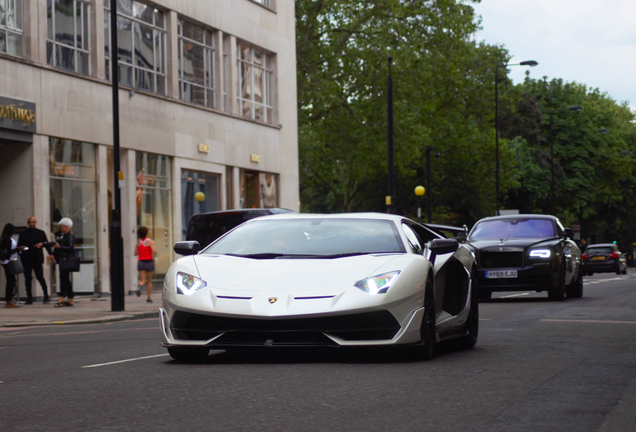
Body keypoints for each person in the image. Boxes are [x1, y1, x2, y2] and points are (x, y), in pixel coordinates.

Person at [18, 217, 54, 304]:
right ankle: (29, 297)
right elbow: (20, 245)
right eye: (30, 222)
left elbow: (46, 244)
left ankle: (46, 295)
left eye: (33, 222)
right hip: (26, 258)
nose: (31, 224)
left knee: (40, 277)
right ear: (28, 223)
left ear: (36, 222)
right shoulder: (23, 233)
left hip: (37, 258)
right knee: (28, 278)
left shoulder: (40, 233)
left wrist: (51, 254)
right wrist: (20, 252)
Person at [53, 218, 75, 307]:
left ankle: (61, 298)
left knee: (63, 278)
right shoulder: (64, 235)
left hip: (66, 260)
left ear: (66, 227)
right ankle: (70, 297)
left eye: (61, 227)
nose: (60, 229)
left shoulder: (69, 235)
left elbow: (70, 248)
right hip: (63, 260)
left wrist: (60, 247)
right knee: (65, 278)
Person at [1, 223, 25, 308]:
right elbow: (8, 251)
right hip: (8, 261)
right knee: (10, 281)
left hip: (8, 261)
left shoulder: (6, 238)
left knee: (11, 280)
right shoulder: (6, 239)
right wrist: (17, 249)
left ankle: (10, 299)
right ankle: (8, 301)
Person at [134, 226, 157, 303]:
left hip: (141, 262)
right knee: (149, 281)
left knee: (142, 280)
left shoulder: (138, 242)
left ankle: (140, 285)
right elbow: (154, 251)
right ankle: (149, 298)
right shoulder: (150, 242)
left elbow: (135, 253)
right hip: (149, 261)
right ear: (146, 233)